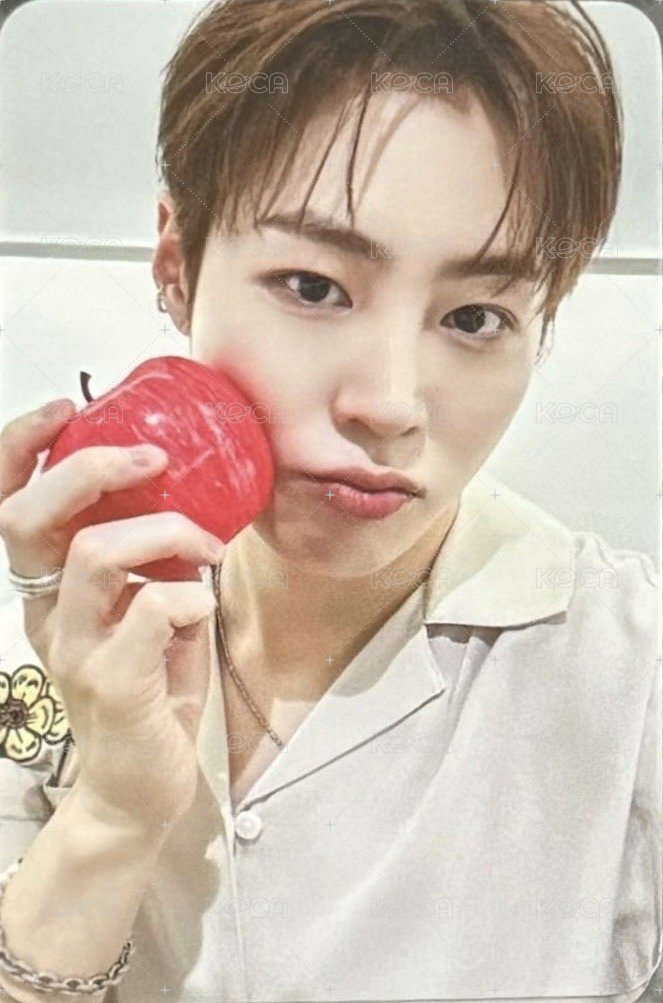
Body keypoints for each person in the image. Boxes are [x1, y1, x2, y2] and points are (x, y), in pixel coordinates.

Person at [0, 0, 659, 1000]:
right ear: (176, 264)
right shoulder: (62, 617)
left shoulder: (629, 679)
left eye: (475, 316)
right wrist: (110, 819)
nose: (388, 404)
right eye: (312, 287)